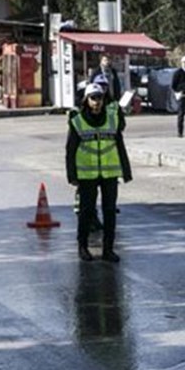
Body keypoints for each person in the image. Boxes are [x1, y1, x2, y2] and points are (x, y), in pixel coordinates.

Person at [66, 83, 133, 262]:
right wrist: (71, 175)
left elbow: (119, 145)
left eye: (100, 98)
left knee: (110, 211)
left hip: (109, 174)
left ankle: (108, 249)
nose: (97, 102)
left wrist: (126, 171)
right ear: (86, 100)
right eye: (93, 98)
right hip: (86, 175)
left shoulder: (112, 119)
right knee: (86, 211)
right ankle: (82, 247)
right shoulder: (77, 121)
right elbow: (70, 149)